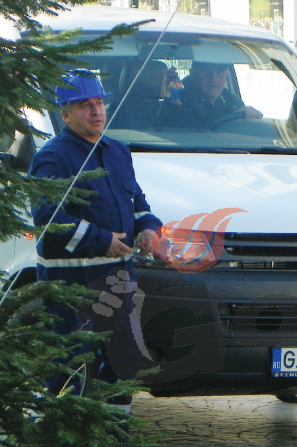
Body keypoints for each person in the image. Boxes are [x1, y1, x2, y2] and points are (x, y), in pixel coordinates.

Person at [30, 69, 162, 416]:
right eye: (85, 105)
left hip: (118, 280)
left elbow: (137, 203)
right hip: (71, 285)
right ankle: (64, 438)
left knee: (125, 360)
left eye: (99, 103)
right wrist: (99, 239)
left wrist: (148, 228)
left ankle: (114, 436)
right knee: (69, 365)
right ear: (65, 114)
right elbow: (46, 215)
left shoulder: (117, 151)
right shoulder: (52, 156)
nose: (96, 111)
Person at [159, 62, 263, 129]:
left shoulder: (232, 101)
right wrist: (234, 116)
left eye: (220, 71)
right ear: (193, 74)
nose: (213, 77)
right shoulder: (176, 101)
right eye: (206, 71)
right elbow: (201, 132)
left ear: (226, 76)